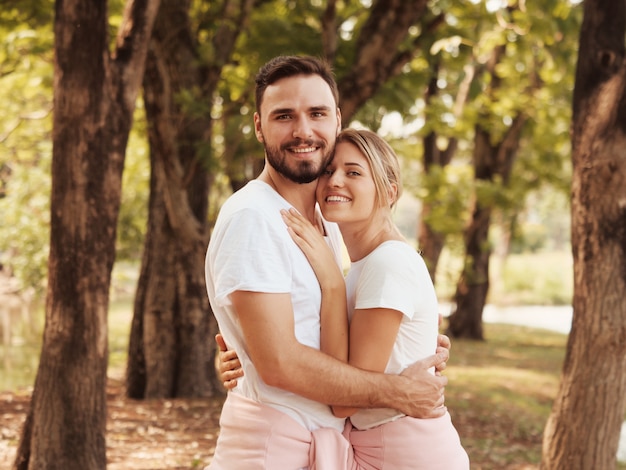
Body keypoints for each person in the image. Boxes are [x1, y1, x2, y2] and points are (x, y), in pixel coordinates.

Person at [204, 55, 449, 469]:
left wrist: (410, 346)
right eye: (284, 116)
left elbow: (309, 328)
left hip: (324, 447)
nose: (303, 130)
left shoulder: (327, 218)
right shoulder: (255, 216)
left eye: (316, 113)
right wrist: (396, 389)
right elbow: (279, 363)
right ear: (259, 125)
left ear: (336, 119)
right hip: (273, 452)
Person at [279, 128, 469, 468]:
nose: (335, 180)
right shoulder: (365, 265)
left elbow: (346, 401)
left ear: (389, 192)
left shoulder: (387, 262)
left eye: (353, 172)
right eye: (328, 170)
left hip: (407, 453)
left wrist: (331, 281)